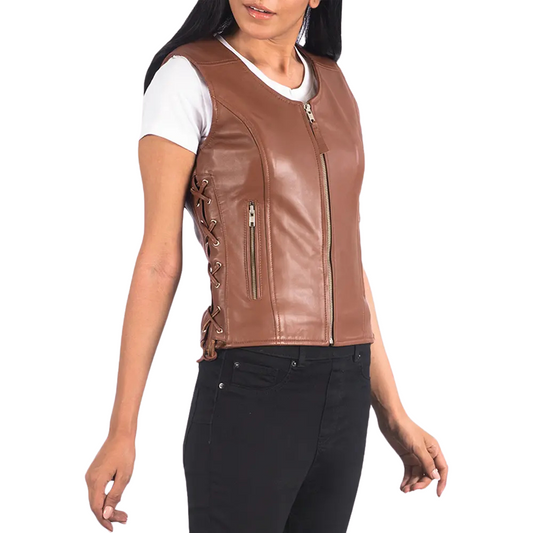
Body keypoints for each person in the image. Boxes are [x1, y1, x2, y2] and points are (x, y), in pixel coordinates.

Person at [85, 1, 448, 531]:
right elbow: (159, 260)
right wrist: (122, 429)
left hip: (346, 391)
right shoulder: (188, 77)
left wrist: (392, 412)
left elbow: (347, 265)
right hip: (253, 386)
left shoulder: (334, 84)